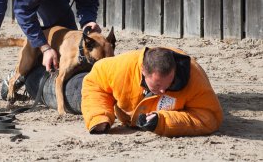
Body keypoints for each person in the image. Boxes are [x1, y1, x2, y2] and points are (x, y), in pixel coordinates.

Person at [81, 47, 223, 136]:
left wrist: (163, 121)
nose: (162, 91)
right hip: (111, 100)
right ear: (143, 70)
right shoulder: (121, 67)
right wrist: (98, 117)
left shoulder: (194, 79)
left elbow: (210, 117)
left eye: (169, 83)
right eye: (157, 85)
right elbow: (94, 83)